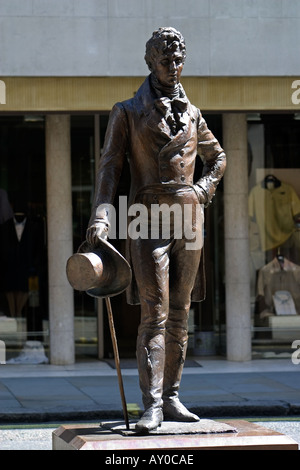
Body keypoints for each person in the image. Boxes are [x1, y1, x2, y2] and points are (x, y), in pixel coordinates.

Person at [86, 27, 226, 432]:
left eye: (179, 60)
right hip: (145, 216)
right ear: (150, 61)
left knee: (180, 313)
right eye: (165, 60)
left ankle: (173, 396)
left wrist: (202, 189)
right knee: (155, 314)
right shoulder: (128, 111)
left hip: (188, 218)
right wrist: (101, 214)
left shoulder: (194, 113)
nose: (173, 67)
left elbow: (218, 158)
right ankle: (151, 405)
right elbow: (109, 167)